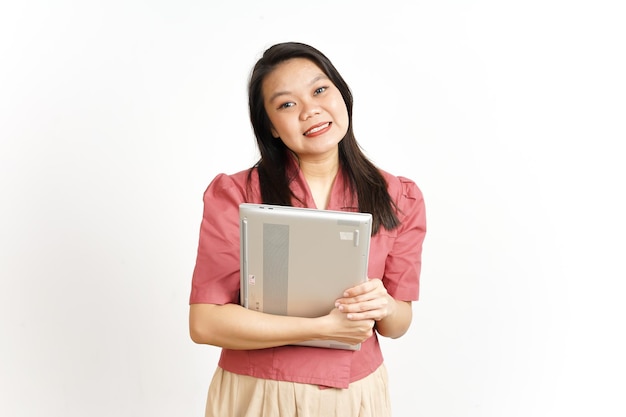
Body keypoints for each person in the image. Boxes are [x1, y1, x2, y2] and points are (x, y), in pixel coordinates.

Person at [189, 41, 427, 417]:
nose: (310, 110)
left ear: (341, 94)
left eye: (319, 90)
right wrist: (321, 328)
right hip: (260, 394)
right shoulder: (235, 195)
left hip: (355, 396)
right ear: (271, 126)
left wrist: (384, 305)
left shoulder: (399, 196)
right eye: (286, 104)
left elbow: (398, 323)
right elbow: (204, 322)